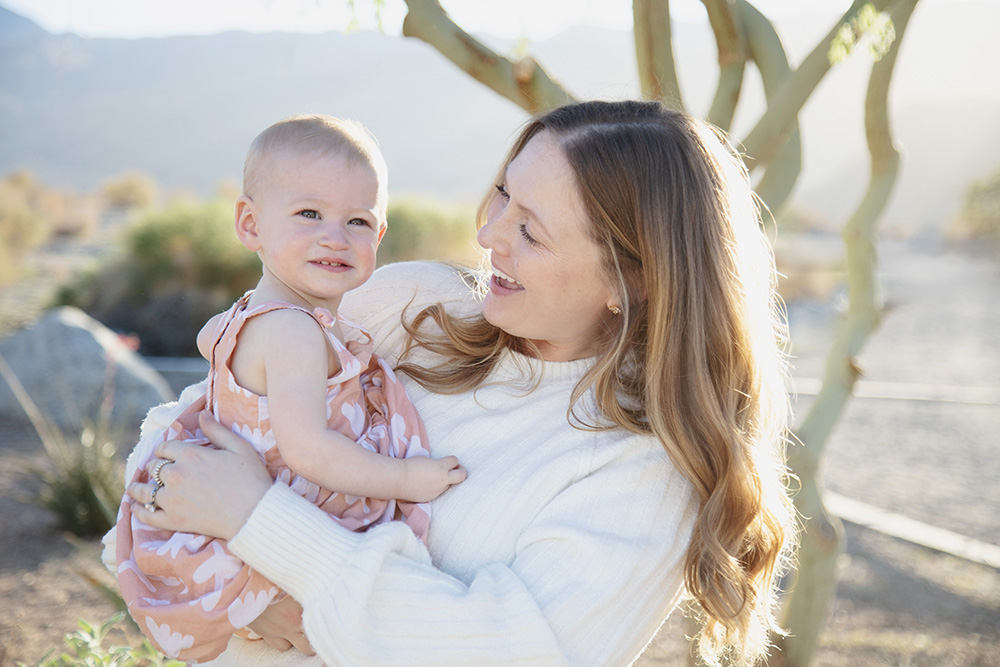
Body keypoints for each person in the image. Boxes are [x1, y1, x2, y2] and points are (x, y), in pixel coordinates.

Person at [108, 100, 796, 667]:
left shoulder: (644, 470)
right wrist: (236, 580)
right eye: (501, 193)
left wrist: (266, 535)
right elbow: (187, 432)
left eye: (530, 229)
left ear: (632, 280)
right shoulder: (410, 304)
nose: (489, 234)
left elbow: (508, 653)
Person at [114, 114, 466, 662]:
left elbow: (215, 351)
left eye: (357, 221)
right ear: (250, 224)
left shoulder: (248, 316)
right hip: (271, 527)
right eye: (309, 214)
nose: (335, 236)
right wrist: (406, 478)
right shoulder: (293, 331)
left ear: (379, 235)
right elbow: (308, 449)